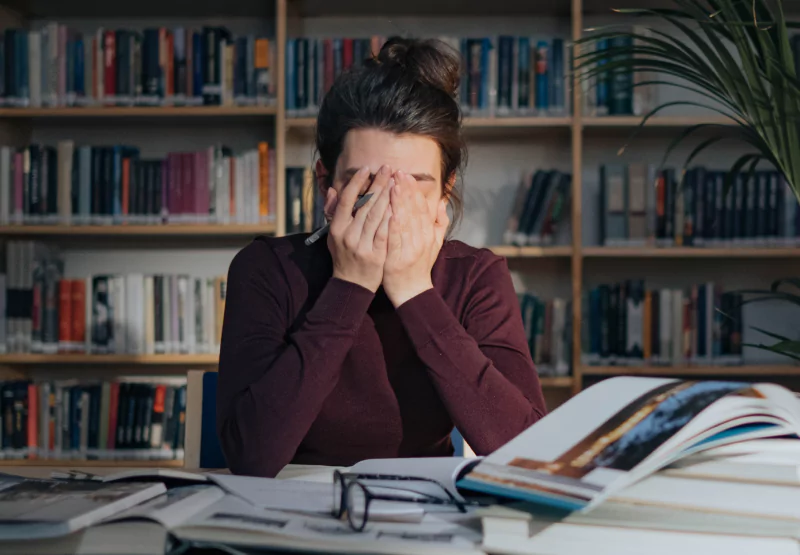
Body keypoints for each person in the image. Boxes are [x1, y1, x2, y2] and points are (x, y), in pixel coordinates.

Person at [216, 36, 547, 477]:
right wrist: (349, 285)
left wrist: (414, 290)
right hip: (289, 510)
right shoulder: (268, 270)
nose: (389, 205)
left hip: (425, 515)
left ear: (443, 193)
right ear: (326, 183)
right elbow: (249, 457)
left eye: (414, 184)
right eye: (366, 182)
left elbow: (527, 454)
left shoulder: (475, 277)